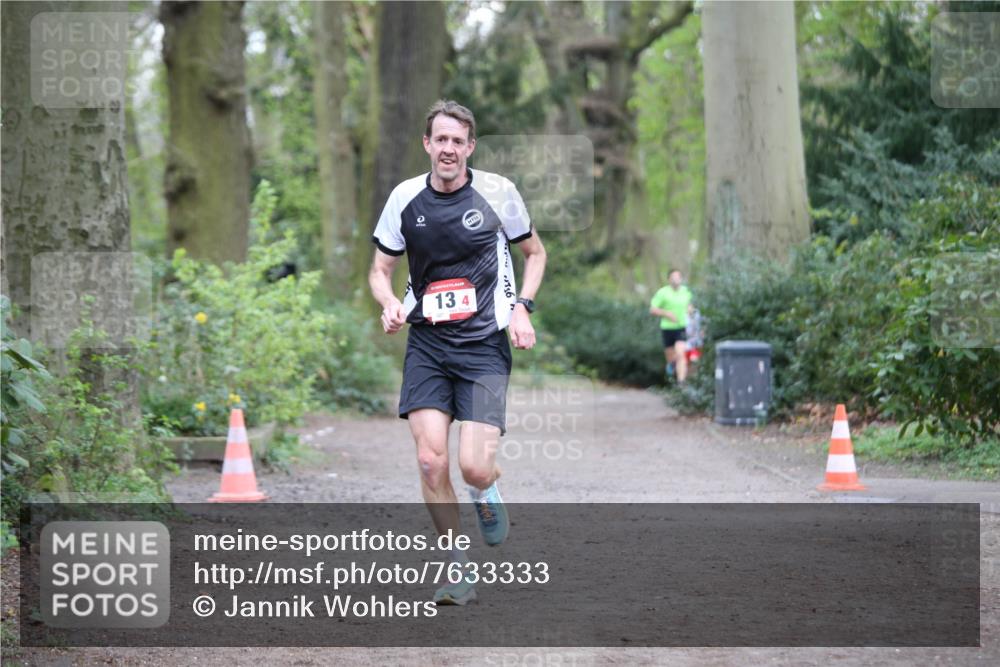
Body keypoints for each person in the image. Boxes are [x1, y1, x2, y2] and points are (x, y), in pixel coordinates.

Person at [368, 100, 546, 606]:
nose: (448, 149)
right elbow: (380, 269)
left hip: (484, 345)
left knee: (471, 466)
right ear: (427, 144)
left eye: (457, 141)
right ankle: (456, 568)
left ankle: (486, 489)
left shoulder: (498, 193)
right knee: (429, 461)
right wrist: (388, 305)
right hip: (426, 342)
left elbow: (534, 253)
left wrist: (522, 308)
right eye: (439, 140)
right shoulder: (404, 198)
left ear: (470, 147)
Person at [649, 269, 692, 384]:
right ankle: (672, 365)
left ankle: (681, 382)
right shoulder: (662, 293)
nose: (676, 279)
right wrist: (666, 313)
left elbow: (689, 305)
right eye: (673, 277)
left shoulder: (686, 291)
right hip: (667, 328)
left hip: (681, 327)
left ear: (681, 279)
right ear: (669, 279)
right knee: (672, 358)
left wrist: (690, 309)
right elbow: (652, 310)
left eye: (678, 277)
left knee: (680, 353)